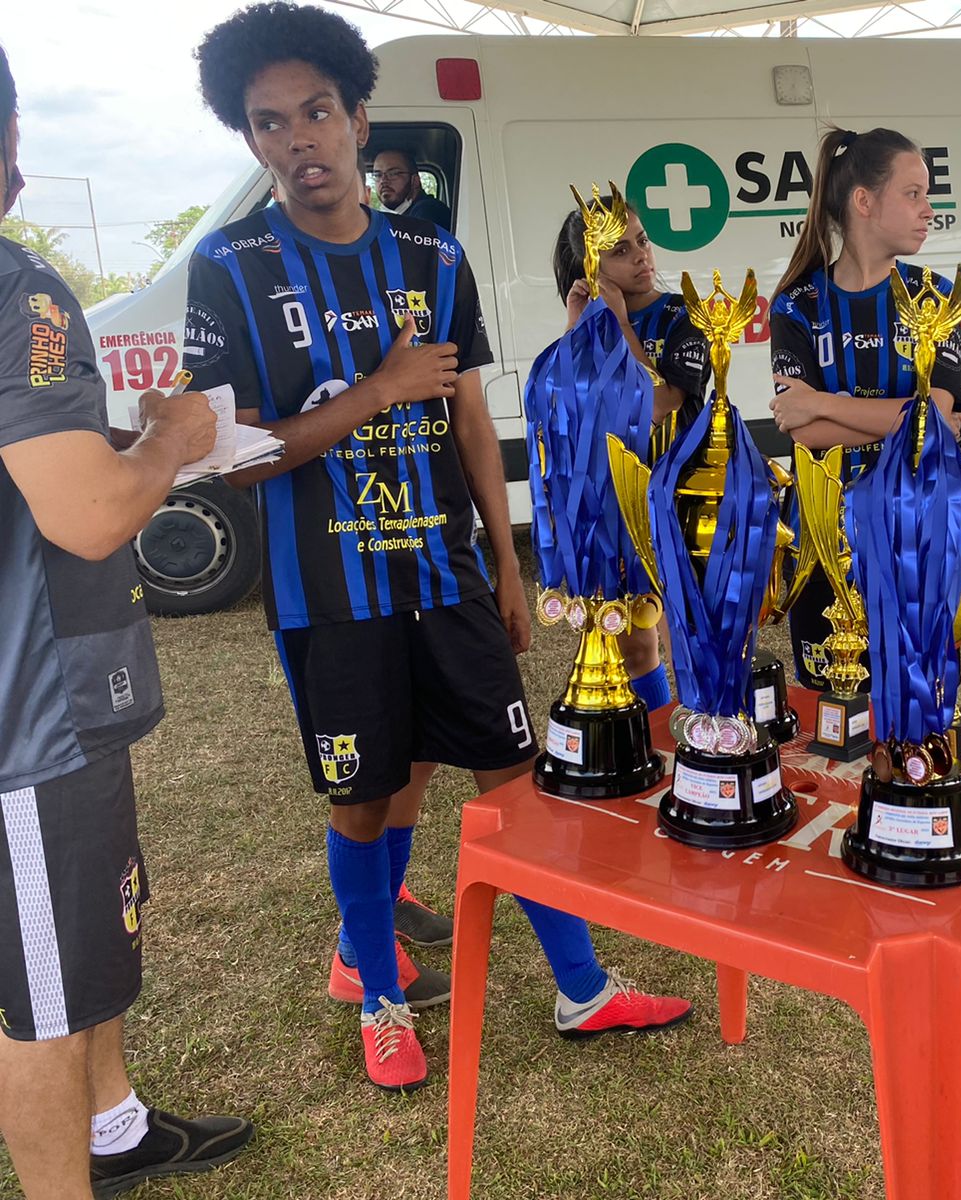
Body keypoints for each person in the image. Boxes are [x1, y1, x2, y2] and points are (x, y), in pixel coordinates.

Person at [187, 2, 689, 1096]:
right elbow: (231, 461)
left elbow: (465, 412)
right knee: (362, 803)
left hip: (449, 577)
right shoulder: (227, 267)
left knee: (517, 787)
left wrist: (508, 568)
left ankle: (581, 989)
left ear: (360, 119)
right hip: (330, 597)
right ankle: (374, 993)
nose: (299, 139)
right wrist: (373, 392)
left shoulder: (430, 251)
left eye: (317, 112)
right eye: (270, 123)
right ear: (251, 138)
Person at [0, 44, 254, 1198]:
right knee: (44, 997)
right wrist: (170, 442)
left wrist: (118, 446)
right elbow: (93, 519)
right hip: (28, 727)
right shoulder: (20, 291)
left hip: (45, 708)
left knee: (85, 944)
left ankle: (115, 1128)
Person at [768, 126, 961, 689]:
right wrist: (908, 419)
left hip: (916, 535)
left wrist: (826, 404)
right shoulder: (798, 304)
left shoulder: (936, 296)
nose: (929, 209)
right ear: (864, 202)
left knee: (914, 712)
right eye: (914, 193)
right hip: (822, 541)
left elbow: (940, 420)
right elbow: (800, 433)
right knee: (831, 721)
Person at [550, 199, 711, 706]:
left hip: (679, 497)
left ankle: (702, 743)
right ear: (592, 268)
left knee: (688, 642)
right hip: (615, 506)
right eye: (620, 250)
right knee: (634, 647)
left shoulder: (685, 314)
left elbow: (660, 404)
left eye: (641, 240)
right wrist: (579, 328)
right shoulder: (589, 325)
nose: (641, 255)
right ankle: (659, 743)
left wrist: (620, 326)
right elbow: (570, 418)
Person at [372, 147, 452, 228]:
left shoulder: (428, 210)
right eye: (378, 175)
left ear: (415, 181)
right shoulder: (406, 214)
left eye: (393, 173)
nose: (383, 180)